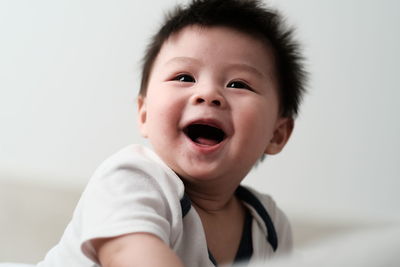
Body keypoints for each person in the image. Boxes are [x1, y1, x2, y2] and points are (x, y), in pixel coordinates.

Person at [37, 0, 306, 266]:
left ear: (276, 134)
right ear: (144, 114)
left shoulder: (270, 225)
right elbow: (127, 255)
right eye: (184, 77)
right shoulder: (131, 180)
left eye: (238, 84)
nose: (208, 94)